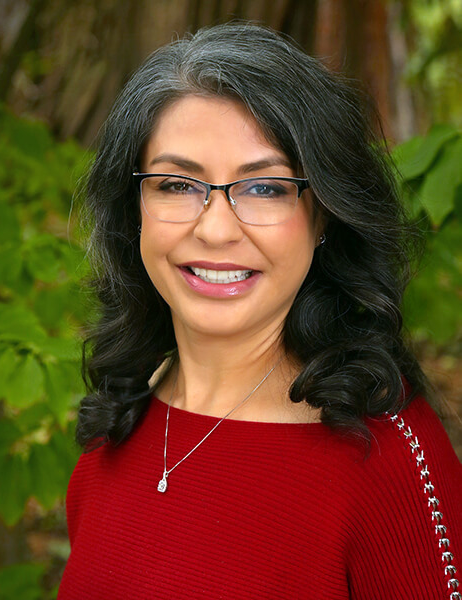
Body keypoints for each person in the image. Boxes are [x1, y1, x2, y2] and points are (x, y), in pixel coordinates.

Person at [58, 22, 461, 599]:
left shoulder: (389, 458)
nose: (216, 229)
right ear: (135, 210)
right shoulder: (115, 426)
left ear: (323, 215)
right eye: (176, 184)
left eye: (265, 188)